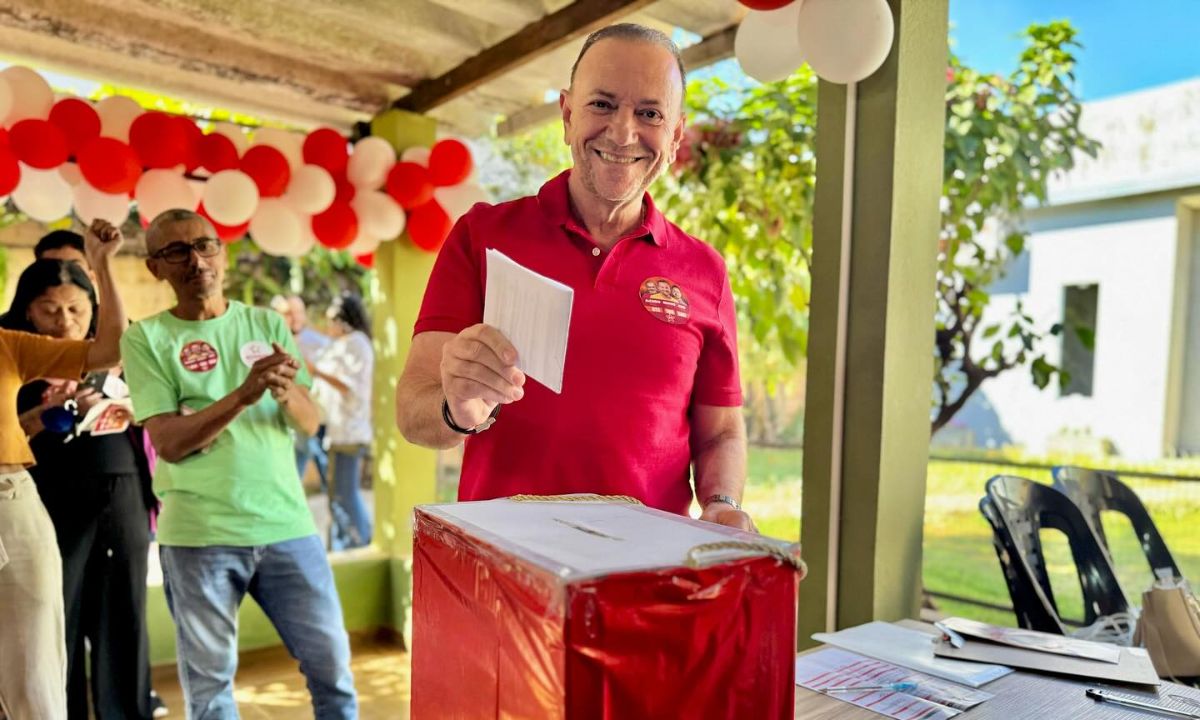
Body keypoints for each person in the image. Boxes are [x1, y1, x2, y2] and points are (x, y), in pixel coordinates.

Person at [395, 23, 754, 532]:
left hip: (645, 576)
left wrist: (722, 502)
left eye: (649, 113)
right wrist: (457, 406)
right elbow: (413, 412)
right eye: (602, 104)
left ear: (674, 136)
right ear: (567, 115)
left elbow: (720, 432)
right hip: (506, 571)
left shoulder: (704, 271)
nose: (623, 132)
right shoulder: (482, 236)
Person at [119, 209, 357, 719]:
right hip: (199, 537)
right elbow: (171, 441)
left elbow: (309, 422)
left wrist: (285, 391)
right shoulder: (146, 339)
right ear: (155, 268)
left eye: (205, 245)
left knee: (333, 673)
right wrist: (244, 395)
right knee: (211, 697)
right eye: (177, 251)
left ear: (222, 254)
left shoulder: (266, 323)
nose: (196, 259)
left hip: (287, 525)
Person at [5, 259, 158, 719]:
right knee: (48, 629)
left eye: (76, 308)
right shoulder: (21, 354)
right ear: (28, 310)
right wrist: (46, 413)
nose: (64, 321)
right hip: (48, 492)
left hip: (117, 488)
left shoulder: (115, 357)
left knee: (122, 617)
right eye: (50, 309)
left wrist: (129, 408)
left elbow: (157, 411)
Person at [310, 292, 374, 550]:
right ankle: (344, 542)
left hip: (349, 432)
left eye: (331, 321)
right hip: (334, 431)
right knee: (340, 495)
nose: (328, 327)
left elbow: (350, 387)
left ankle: (356, 543)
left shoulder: (356, 343)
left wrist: (316, 372)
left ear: (343, 320)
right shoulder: (341, 344)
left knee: (343, 496)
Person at [273, 294, 331, 493]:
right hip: (287, 415)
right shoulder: (274, 338)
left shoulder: (318, 342)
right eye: (290, 313)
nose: (294, 317)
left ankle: (327, 487)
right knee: (301, 456)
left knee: (309, 451)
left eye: (298, 312)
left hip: (316, 411)